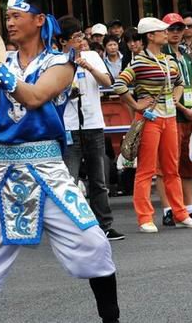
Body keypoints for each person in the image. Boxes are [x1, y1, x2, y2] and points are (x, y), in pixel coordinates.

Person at [0, 0, 119, 322]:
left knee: (93, 244)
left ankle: (112, 319)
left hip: (48, 168)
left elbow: (34, 98)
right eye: (6, 17)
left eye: (16, 16)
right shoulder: (1, 62)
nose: (9, 23)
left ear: (39, 20)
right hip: (4, 172)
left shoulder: (61, 62)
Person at [112, 17, 192, 233]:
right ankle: (145, 217)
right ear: (150, 36)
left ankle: (180, 213)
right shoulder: (139, 61)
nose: (166, 32)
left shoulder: (169, 60)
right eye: (162, 31)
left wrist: (173, 98)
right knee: (146, 170)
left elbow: (181, 82)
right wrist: (136, 104)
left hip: (169, 118)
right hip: (149, 120)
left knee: (172, 168)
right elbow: (118, 84)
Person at [58, 16, 125, 241]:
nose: (80, 40)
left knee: (99, 178)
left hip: (93, 123)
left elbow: (108, 82)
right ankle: (70, 227)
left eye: (81, 36)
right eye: (75, 37)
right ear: (62, 41)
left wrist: (88, 67)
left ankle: (104, 224)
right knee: (69, 178)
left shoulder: (92, 56)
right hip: (69, 125)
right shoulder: (55, 60)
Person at [156, 13, 192, 225]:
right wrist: (184, 108)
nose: (176, 33)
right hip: (171, 115)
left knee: (189, 162)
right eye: (171, 29)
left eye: (179, 28)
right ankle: (168, 210)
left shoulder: (185, 55)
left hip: (189, 116)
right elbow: (168, 91)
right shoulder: (160, 55)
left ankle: (190, 207)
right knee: (166, 166)